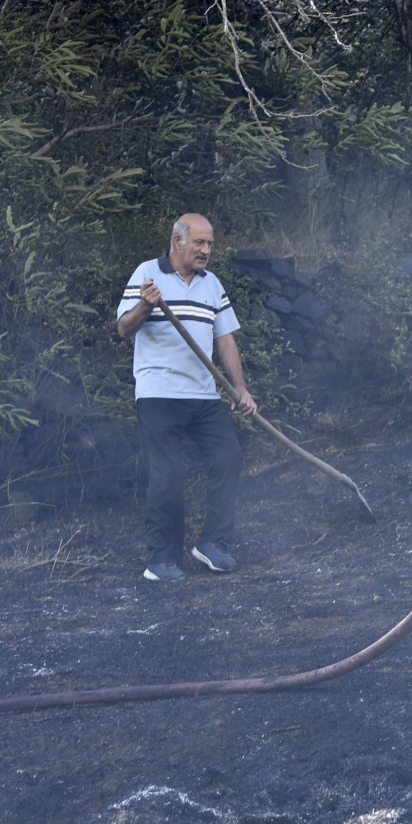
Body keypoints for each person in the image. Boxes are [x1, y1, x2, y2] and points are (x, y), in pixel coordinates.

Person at [116, 214, 257, 582]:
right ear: (178, 241)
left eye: (210, 244)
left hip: (203, 394)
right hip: (159, 393)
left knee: (227, 456)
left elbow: (225, 339)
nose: (206, 251)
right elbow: (123, 328)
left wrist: (239, 387)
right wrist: (146, 305)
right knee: (167, 476)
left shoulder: (212, 284)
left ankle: (213, 544)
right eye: (200, 243)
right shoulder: (147, 273)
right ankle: (161, 560)